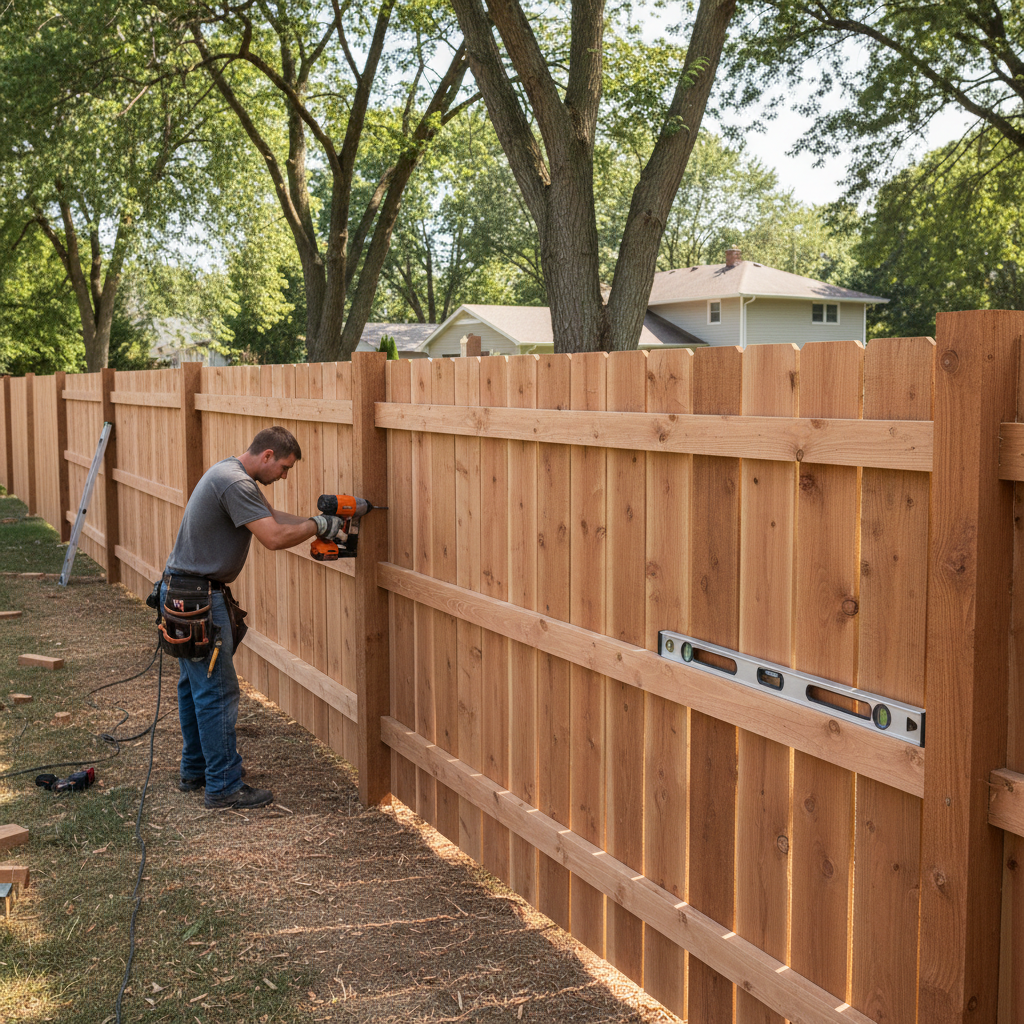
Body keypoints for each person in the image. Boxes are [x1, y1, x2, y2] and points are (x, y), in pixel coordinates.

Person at [158, 425, 345, 809]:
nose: (285, 476)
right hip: (197, 602)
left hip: (184, 595)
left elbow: (272, 517)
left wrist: (319, 524)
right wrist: (317, 526)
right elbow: (273, 537)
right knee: (216, 692)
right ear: (267, 456)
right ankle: (224, 786)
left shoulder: (231, 475)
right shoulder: (235, 484)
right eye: (285, 468)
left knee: (195, 688)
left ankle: (196, 769)